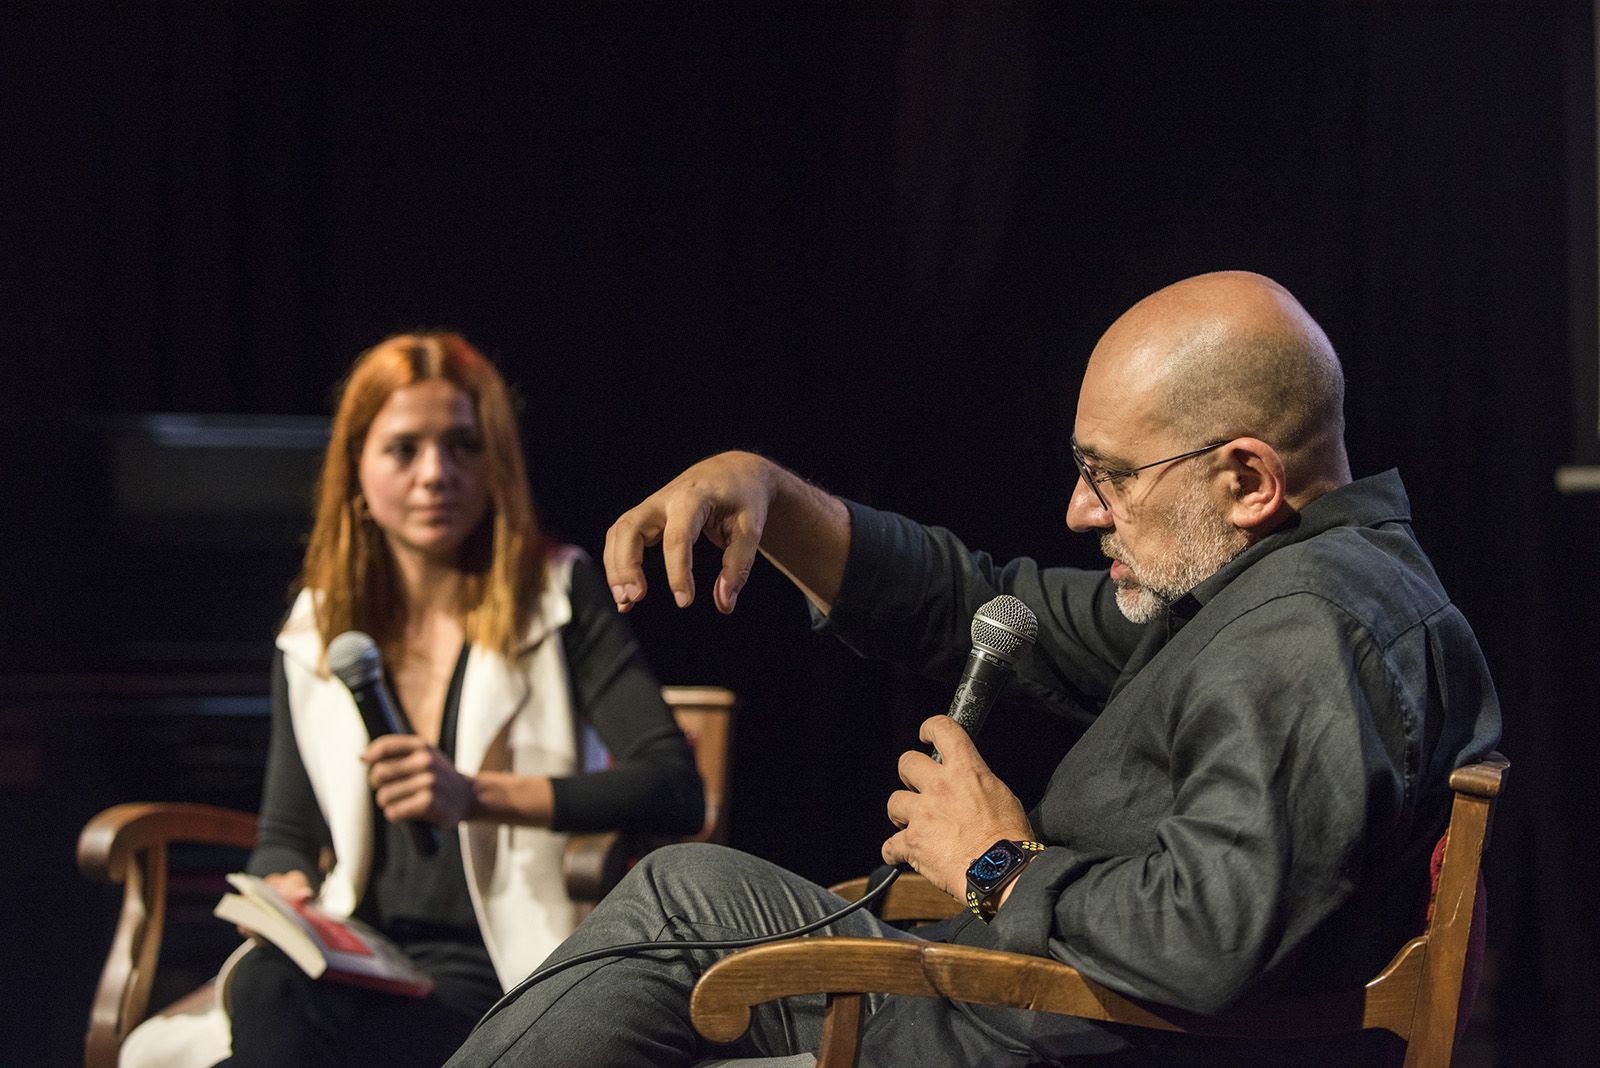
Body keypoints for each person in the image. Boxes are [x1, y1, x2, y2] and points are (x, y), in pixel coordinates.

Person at [445, 272, 1502, 1067]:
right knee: (684, 889)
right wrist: (767, 491)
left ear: (1245, 478)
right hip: (1014, 1000)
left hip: (1036, 1034)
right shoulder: (1263, 587)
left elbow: (1207, 942)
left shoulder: (1308, 630)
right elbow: (986, 606)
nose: (1082, 511)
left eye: (1110, 477)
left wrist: (997, 862)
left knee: (676, 912)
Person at [120, 331, 705, 1068]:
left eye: (463, 446)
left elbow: (673, 788)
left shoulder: (557, 592)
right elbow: (285, 831)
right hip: (364, 955)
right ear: (356, 468)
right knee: (270, 984)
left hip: (500, 963)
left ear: (496, 463)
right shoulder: (317, 626)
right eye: (404, 449)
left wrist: (475, 794)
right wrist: (284, 886)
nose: (436, 474)